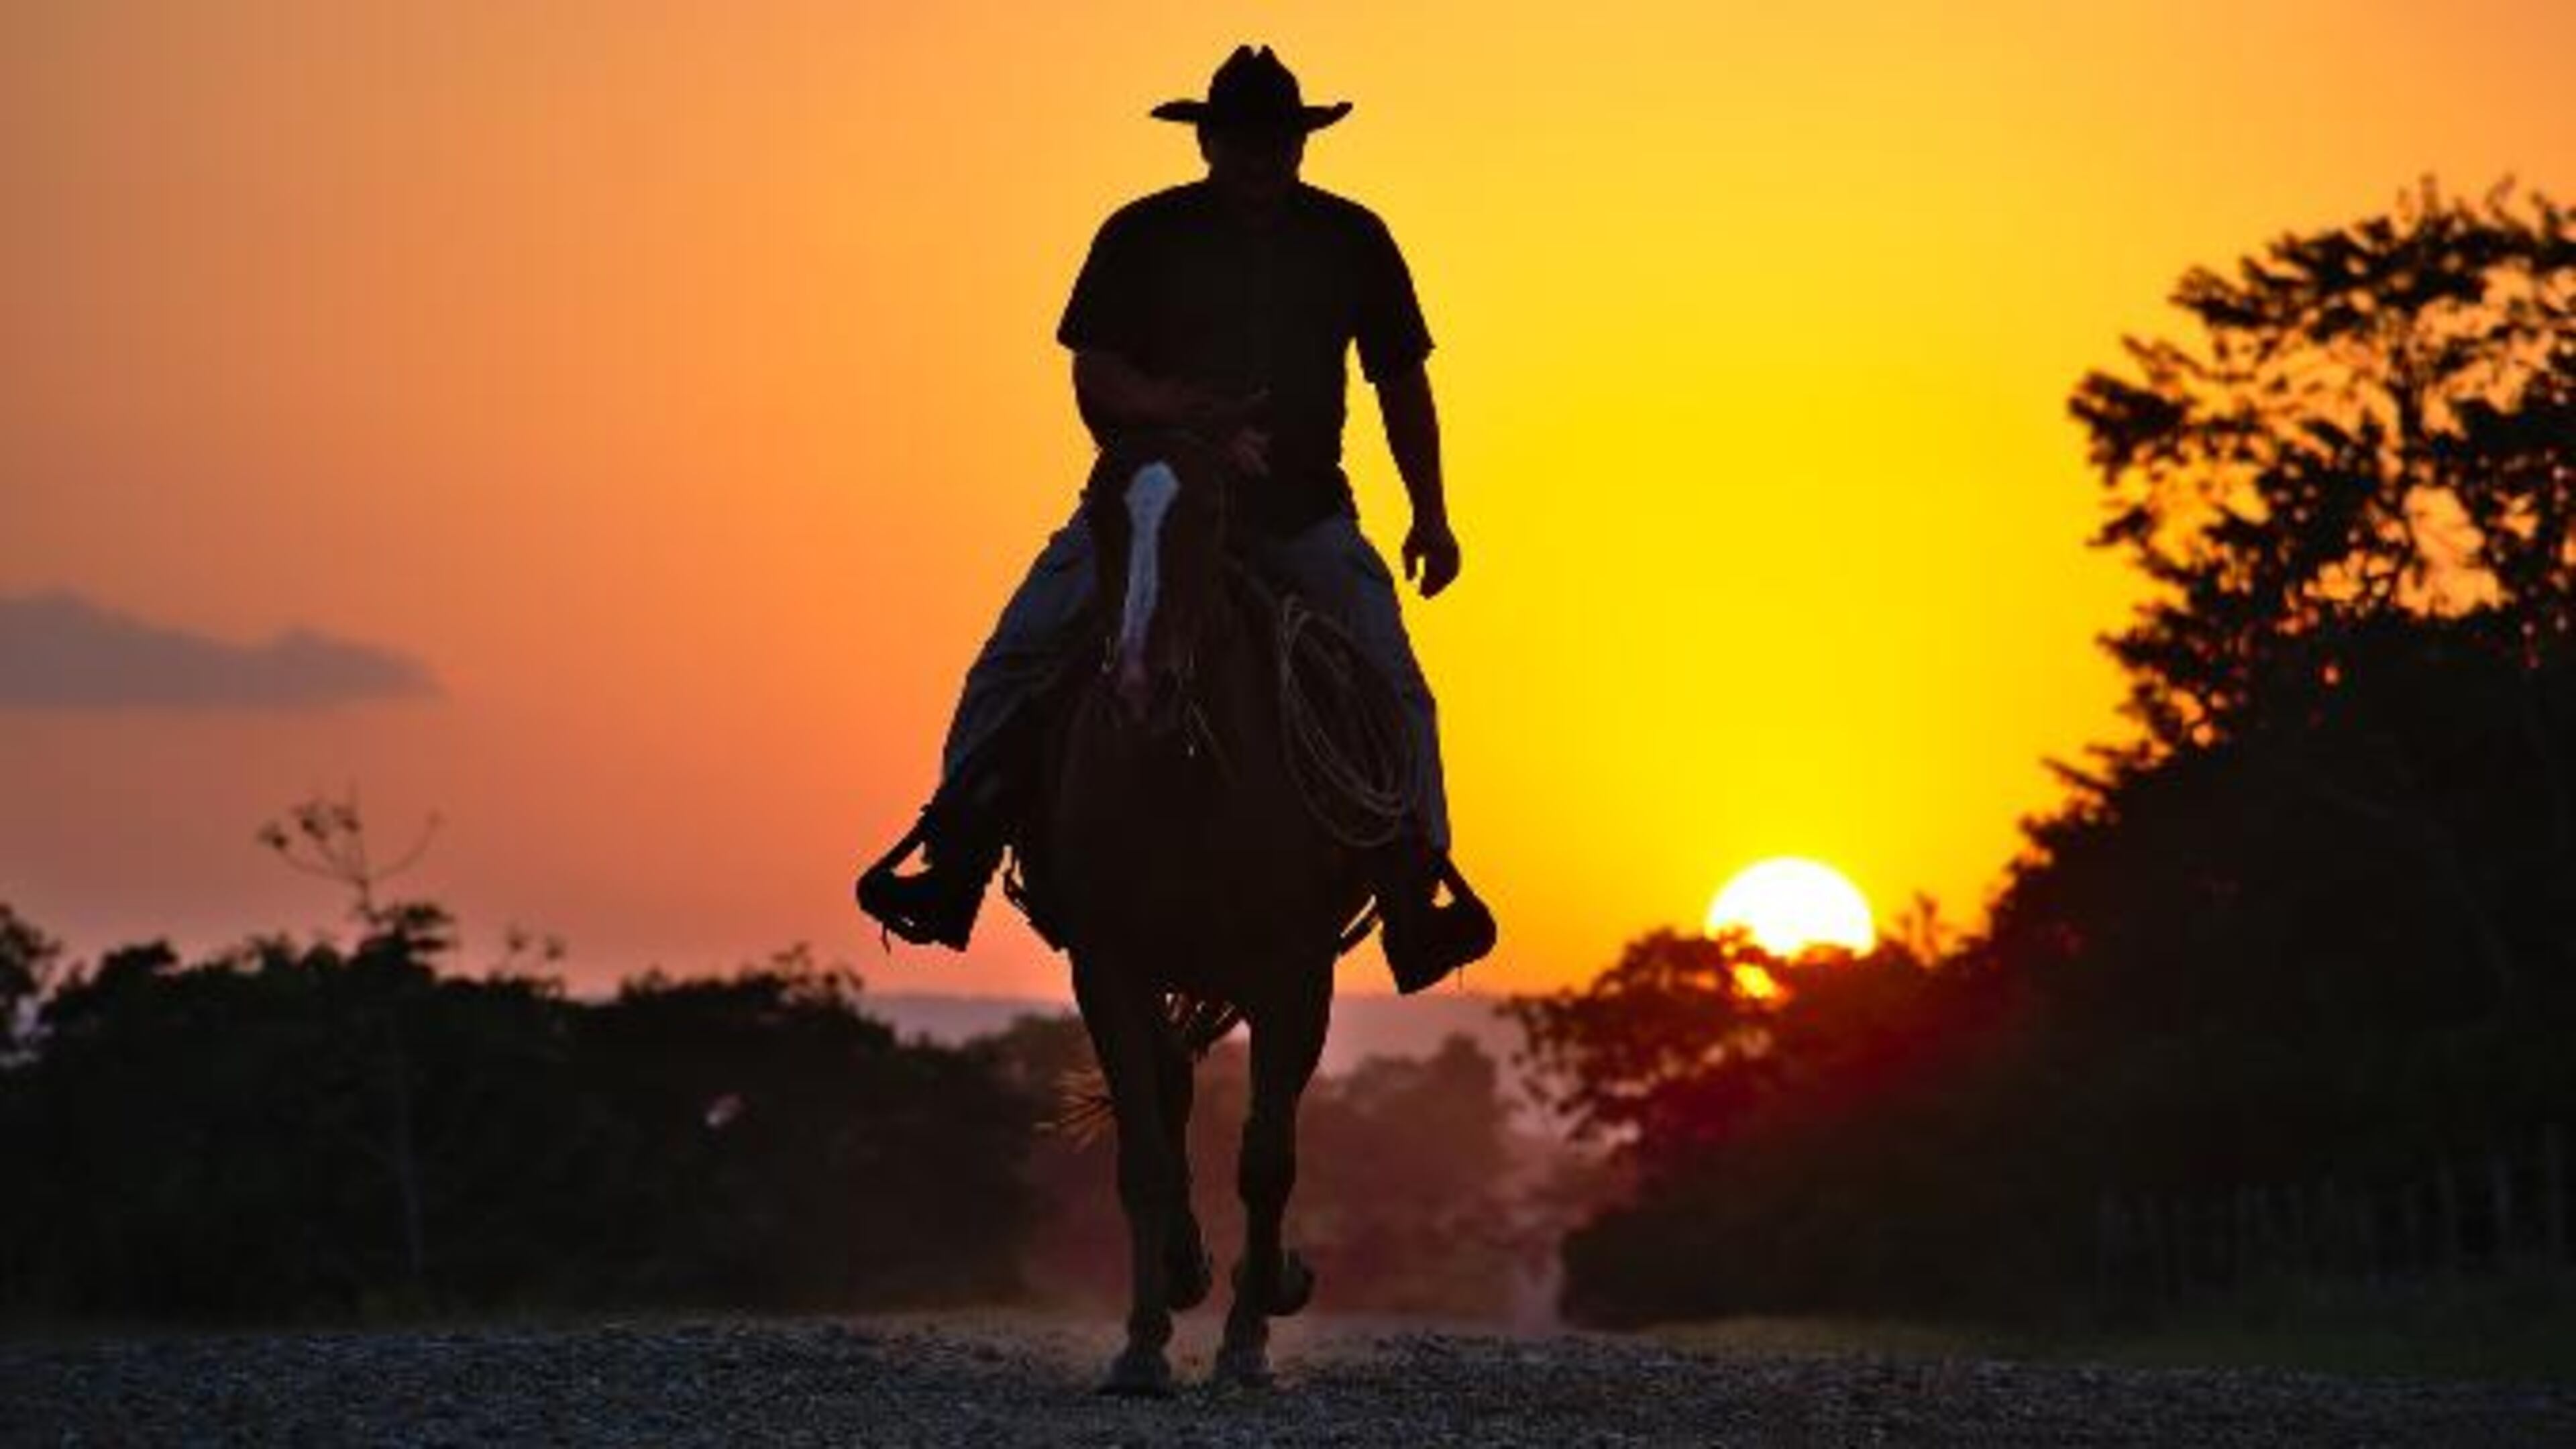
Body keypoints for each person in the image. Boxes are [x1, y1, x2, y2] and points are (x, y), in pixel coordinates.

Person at [857, 44, 1494, 992]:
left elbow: (1402, 381)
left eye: (1277, 139)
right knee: (1018, 658)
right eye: (1242, 138)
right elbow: (1095, 374)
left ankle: (1416, 896)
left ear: (1301, 144)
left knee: (1395, 683)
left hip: (1302, 513)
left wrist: (1431, 516)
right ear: (1206, 139)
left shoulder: (1355, 240)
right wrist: (1190, 418)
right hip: (1148, 506)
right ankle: (953, 862)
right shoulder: (1142, 235)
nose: (1260, 155)